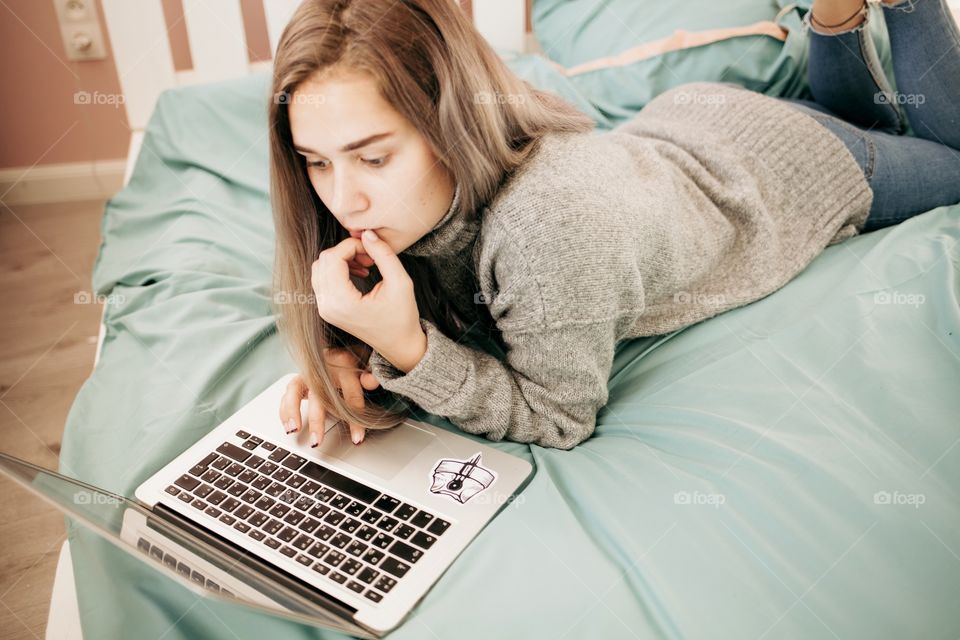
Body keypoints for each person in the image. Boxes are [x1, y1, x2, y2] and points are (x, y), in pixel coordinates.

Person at [270, 0, 960, 450]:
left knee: (930, 152)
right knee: (868, 114)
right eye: (315, 163)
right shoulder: (391, 207)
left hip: (780, 162)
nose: (344, 200)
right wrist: (352, 353)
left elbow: (558, 417)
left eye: (373, 157)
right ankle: (837, 17)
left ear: (449, 124)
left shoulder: (550, 226)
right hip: (685, 124)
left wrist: (410, 350)